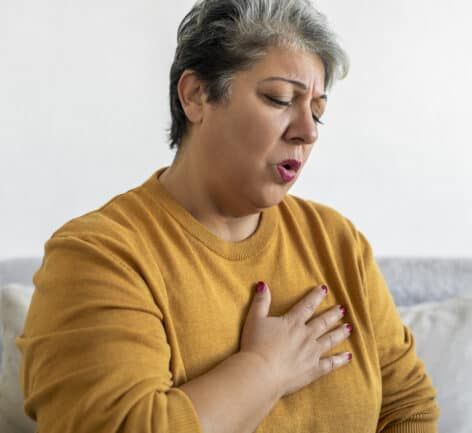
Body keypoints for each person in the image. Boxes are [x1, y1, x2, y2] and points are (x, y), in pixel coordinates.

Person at [16, 0, 440, 432]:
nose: (307, 131)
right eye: (280, 98)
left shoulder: (337, 242)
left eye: (317, 111)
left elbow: (410, 407)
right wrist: (264, 370)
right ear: (197, 96)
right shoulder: (98, 256)